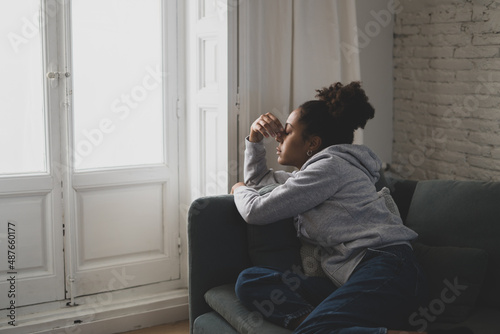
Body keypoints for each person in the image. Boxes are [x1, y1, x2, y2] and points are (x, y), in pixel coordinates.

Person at [230, 82, 448, 334]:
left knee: (313, 330)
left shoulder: (329, 167)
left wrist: (238, 189)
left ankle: (320, 327)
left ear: (312, 142)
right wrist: (254, 138)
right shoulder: (308, 176)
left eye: (287, 132)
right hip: (352, 280)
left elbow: (256, 210)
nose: (278, 136)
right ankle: (327, 324)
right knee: (251, 280)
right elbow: (258, 183)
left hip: (388, 271)